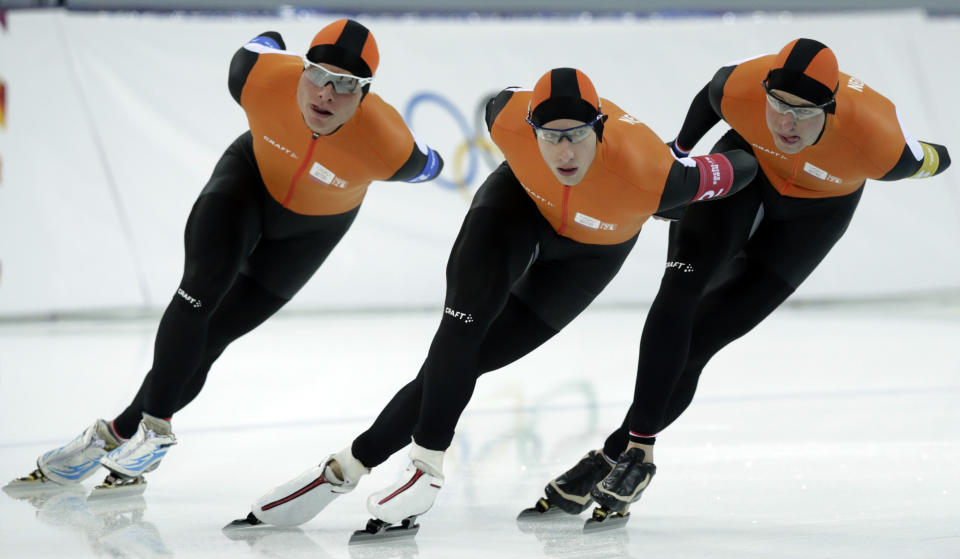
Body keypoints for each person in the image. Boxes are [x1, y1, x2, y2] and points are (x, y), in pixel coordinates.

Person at [236, 67, 758, 533]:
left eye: (576, 136)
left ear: (598, 129)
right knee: (460, 329)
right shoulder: (505, 117)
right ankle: (425, 466)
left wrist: (766, 146)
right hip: (518, 209)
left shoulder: (658, 176)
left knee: (472, 359)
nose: (565, 153)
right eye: (550, 139)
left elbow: (741, 168)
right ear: (530, 130)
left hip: (590, 256)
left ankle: (347, 466)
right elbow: (505, 96)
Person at [7, 19, 443, 493]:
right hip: (246, 186)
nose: (325, 94)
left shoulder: (390, 146)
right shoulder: (256, 77)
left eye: (345, 85)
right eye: (317, 74)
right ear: (300, 70)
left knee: (212, 337)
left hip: (310, 234)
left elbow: (432, 164)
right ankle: (154, 430)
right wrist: (275, 42)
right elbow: (262, 44)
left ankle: (118, 433)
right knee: (198, 293)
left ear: (365, 94)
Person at [539, 38, 951, 520]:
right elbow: (709, 97)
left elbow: (928, 158)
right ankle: (640, 452)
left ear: (832, 108)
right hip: (743, 173)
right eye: (778, 105)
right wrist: (679, 152)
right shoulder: (738, 87)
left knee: (699, 342)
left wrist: (940, 154)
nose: (785, 123)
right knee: (678, 292)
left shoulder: (878, 142)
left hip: (812, 219)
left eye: (803, 112)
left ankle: (611, 458)